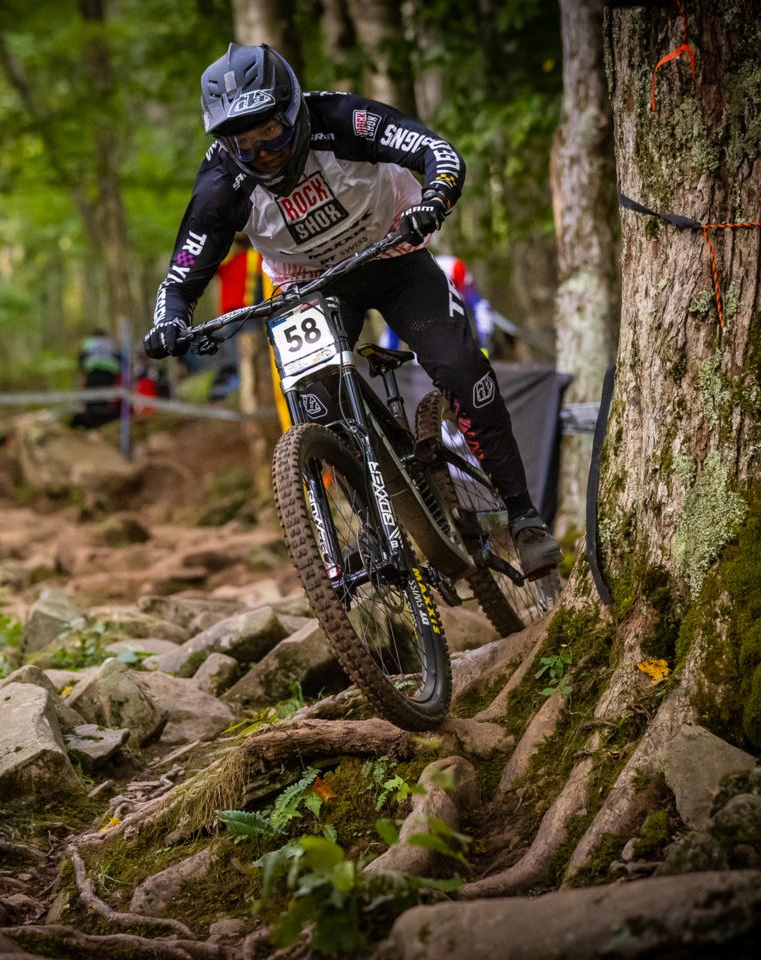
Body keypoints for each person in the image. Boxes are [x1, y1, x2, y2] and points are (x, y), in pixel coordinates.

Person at [142, 43, 560, 579]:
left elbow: (438, 152)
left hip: (394, 256)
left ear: (292, 111)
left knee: (457, 366)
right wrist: (169, 321)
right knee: (316, 403)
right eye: (242, 141)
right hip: (310, 286)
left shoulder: (342, 119)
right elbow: (183, 273)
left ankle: (523, 516)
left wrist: (433, 198)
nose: (261, 151)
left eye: (269, 131)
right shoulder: (222, 182)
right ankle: (373, 527)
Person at [71, 328, 123, 429]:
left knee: (91, 399)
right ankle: (103, 424)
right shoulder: (111, 344)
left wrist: (82, 375)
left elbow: (82, 359)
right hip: (108, 375)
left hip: (92, 373)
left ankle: (91, 424)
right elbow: (119, 359)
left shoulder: (88, 343)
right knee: (104, 400)